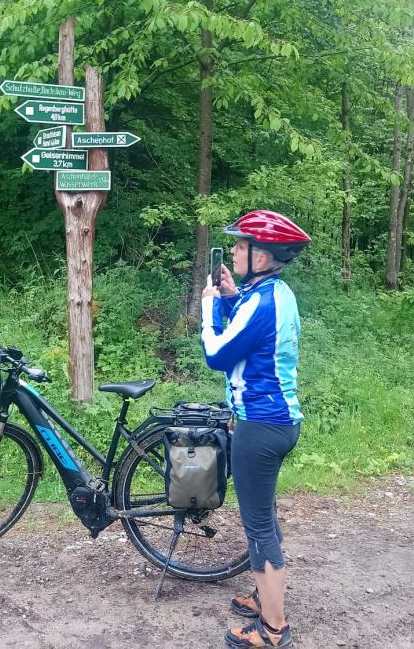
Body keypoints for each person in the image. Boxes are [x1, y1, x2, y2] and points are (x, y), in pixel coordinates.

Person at [200, 210, 311, 649]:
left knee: (259, 526)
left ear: (261, 257)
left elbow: (217, 353)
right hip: (279, 422)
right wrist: (230, 296)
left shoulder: (260, 303)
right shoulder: (275, 293)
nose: (233, 251)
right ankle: (266, 597)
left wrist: (209, 306)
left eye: (241, 246)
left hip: (260, 428)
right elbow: (248, 336)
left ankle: (273, 629)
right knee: (264, 516)